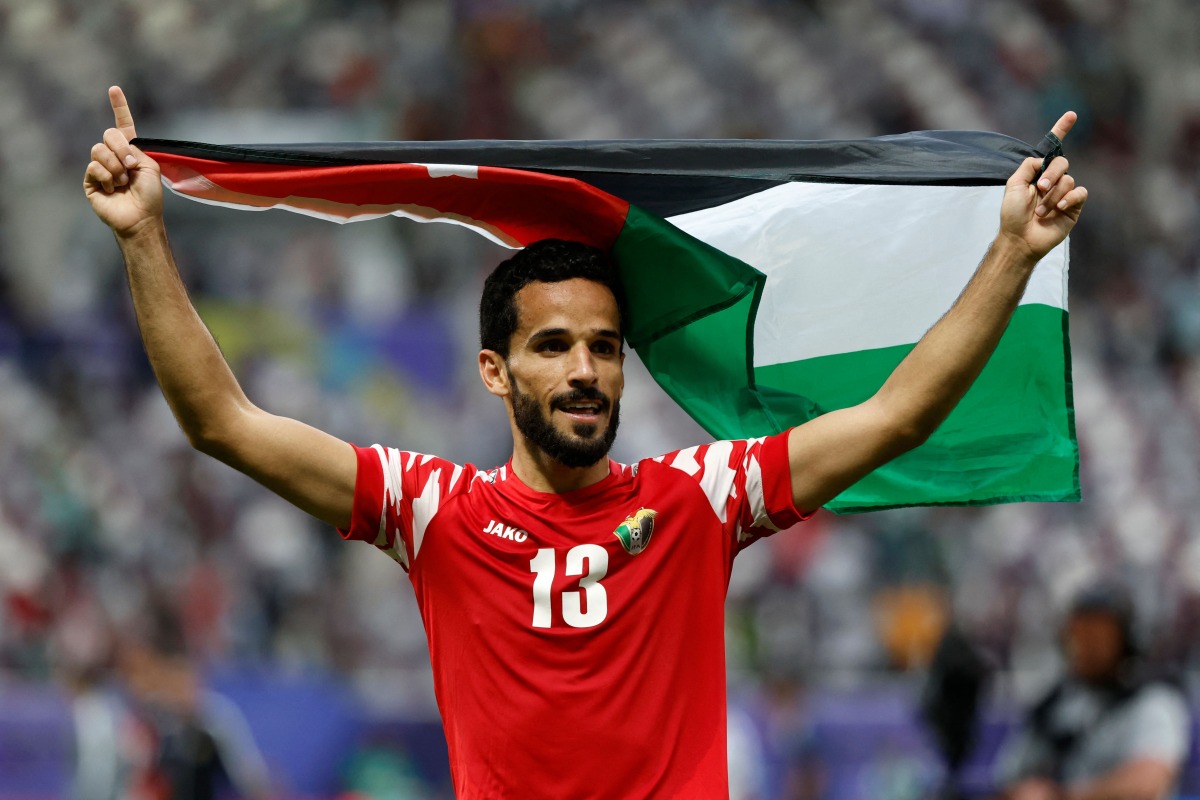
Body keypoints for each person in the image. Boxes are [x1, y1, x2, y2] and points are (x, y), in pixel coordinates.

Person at [84, 85, 1087, 799]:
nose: (585, 369)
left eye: (605, 347)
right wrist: (143, 236)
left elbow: (896, 414)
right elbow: (222, 421)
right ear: (494, 370)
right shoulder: (433, 512)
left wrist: (1011, 251)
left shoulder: (704, 495)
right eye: (554, 344)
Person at [995, 583, 1191, 800]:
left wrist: (1062, 795)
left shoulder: (1153, 702)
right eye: (1079, 632)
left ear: (1127, 640)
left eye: (1100, 635)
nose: (1087, 645)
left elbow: (1147, 782)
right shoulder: (1055, 703)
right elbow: (1008, 778)